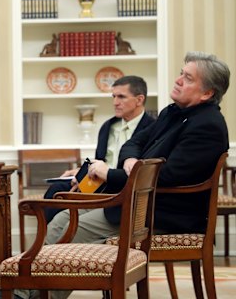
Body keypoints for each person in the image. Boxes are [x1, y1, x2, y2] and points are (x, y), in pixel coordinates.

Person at [42, 51, 230, 299]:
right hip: (137, 204)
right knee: (61, 220)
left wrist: (114, 174)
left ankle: (31, 294)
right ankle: (33, 293)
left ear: (207, 93)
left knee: (71, 231)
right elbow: (133, 143)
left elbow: (166, 176)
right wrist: (131, 160)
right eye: (181, 73)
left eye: (188, 78)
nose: (178, 80)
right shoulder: (171, 113)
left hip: (162, 215)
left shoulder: (208, 125)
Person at [42, 76, 155, 222]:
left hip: (122, 185)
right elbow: (100, 160)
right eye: (113, 96)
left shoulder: (153, 129)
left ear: (139, 100)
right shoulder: (108, 126)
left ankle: (61, 240)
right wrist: (81, 173)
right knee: (58, 189)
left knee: (66, 201)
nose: (115, 102)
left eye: (121, 97)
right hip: (98, 182)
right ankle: (50, 243)